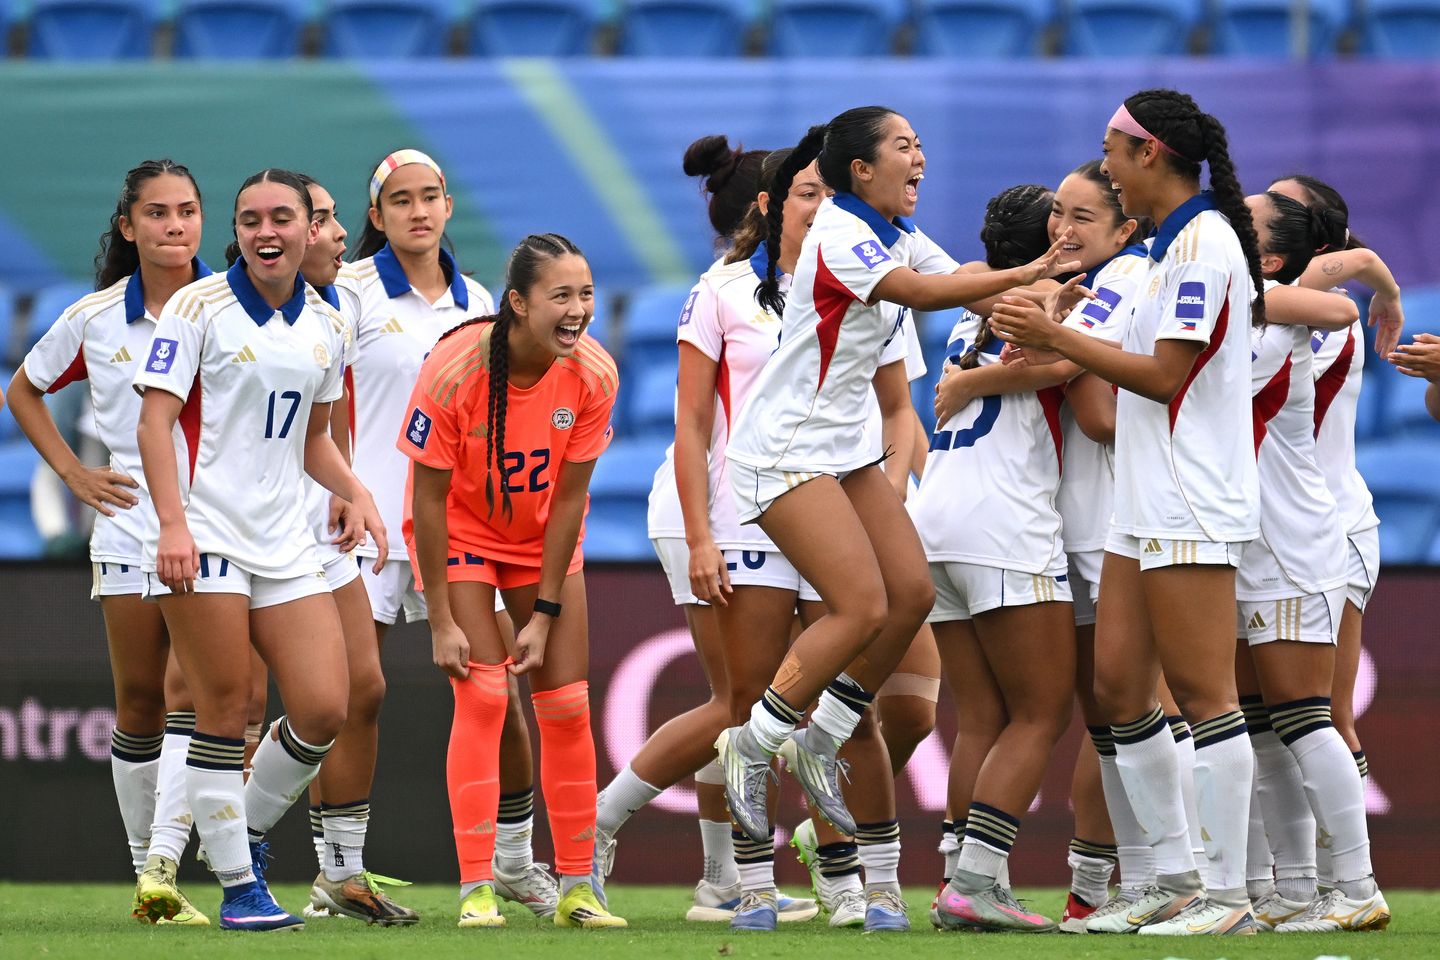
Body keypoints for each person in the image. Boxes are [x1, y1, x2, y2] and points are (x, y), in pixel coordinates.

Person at [715, 106, 1077, 862]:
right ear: (861, 170)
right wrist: (1034, 273)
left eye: (920, 146)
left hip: (842, 451)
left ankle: (822, 738)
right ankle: (752, 744)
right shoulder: (842, 232)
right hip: (786, 447)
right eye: (904, 147)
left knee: (909, 597)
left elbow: (969, 289)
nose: (919, 159)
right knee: (862, 607)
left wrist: (1062, 301)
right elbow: (921, 293)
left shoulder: (896, 231)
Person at [991, 88, 1265, 935]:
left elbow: (1164, 376)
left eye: (1112, 150)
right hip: (1141, 498)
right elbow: (1120, 359)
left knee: (1205, 694)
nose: (1105, 165)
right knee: (1116, 689)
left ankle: (1227, 896)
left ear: (1149, 154)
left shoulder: (1205, 243)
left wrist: (1057, 338)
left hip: (1191, 496)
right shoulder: (1167, 246)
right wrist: (1058, 318)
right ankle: (1169, 878)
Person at [134, 168, 385, 932]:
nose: (266, 232)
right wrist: (171, 525)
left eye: (282, 218)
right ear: (236, 231)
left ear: (310, 227)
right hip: (204, 532)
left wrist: (357, 492)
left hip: (285, 541)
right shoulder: (198, 307)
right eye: (251, 220)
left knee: (325, 706)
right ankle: (241, 891)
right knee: (222, 708)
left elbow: (314, 439)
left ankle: (237, 831)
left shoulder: (328, 323)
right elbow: (154, 423)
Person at [613, 137, 819, 927]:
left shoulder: (814, 285)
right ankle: (597, 825)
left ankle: (720, 880)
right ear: (769, 205)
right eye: (807, 192)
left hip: (753, 509)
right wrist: (703, 535)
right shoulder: (723, 291)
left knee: (741, 705)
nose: (823, 205)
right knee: (741, 703)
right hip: (711, 509)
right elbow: (694, 425)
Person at [7, 160, 213, 925]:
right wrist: (72, 473)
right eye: (157, 212)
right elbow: (23, 390)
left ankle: (168, 863)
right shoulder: (95, 318)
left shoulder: (231, 306)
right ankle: (147, 878)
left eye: (187, 210)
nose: (174, 225)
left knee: (195, 695)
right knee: (140, 703)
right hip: (127, 530)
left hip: (218, 530)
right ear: (128, 226)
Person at [349, 151, 554, 915]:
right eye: (401, 200)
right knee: (349, 698)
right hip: (367, 526)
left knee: (498, 699)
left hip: (458, 528)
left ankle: (513, 862)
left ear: (448, 205)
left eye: (430, 196)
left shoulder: (482, 302)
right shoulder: (348, 291)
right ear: (377, 217)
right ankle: (340, 870)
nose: (418, 211)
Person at [402, 233, 625, 930]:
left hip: (541, 544)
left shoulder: (594, 373)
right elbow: (427, 501)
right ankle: (476, 889)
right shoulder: (454, 369)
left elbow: (569, 499)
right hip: (461, 536)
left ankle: (579, 889)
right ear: (519, 304)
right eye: (561, 296)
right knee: (485, 695)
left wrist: (546, 611)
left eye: (586, 294)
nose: (578, 309)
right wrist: (441, 618)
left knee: (566, 707)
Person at [915, 184, 1076, 933]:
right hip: (1003, 520)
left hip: (937, 516)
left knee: (982, 713)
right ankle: (977, 883)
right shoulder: (1046, 298)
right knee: (1042, 711)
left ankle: (958, 879)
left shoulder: (969, 306)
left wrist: (975, 377)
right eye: (1064, 222)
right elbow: (1065, 365)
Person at [1236, 190, 1387, 933]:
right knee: (1263, 726)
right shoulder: (1256, 307)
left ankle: (1353, 886)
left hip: (1298, 539)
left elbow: (1332, 300)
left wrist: (1368, 274)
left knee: (1311, 716)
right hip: (1245, 539)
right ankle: (1295, 888)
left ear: (1275, 256)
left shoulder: (1294, 319)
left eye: (1248, 220)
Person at [287, 173, 418, 925]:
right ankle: (186, 863)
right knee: (222, 703)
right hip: (248, 531)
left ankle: (340, 873)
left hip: (325, 526)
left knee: (358, 691)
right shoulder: (218, 315)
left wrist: (351, 492)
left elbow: (330, 426)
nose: (340, 235)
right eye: (324, 220)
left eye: (337, 219)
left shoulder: (336, 309)